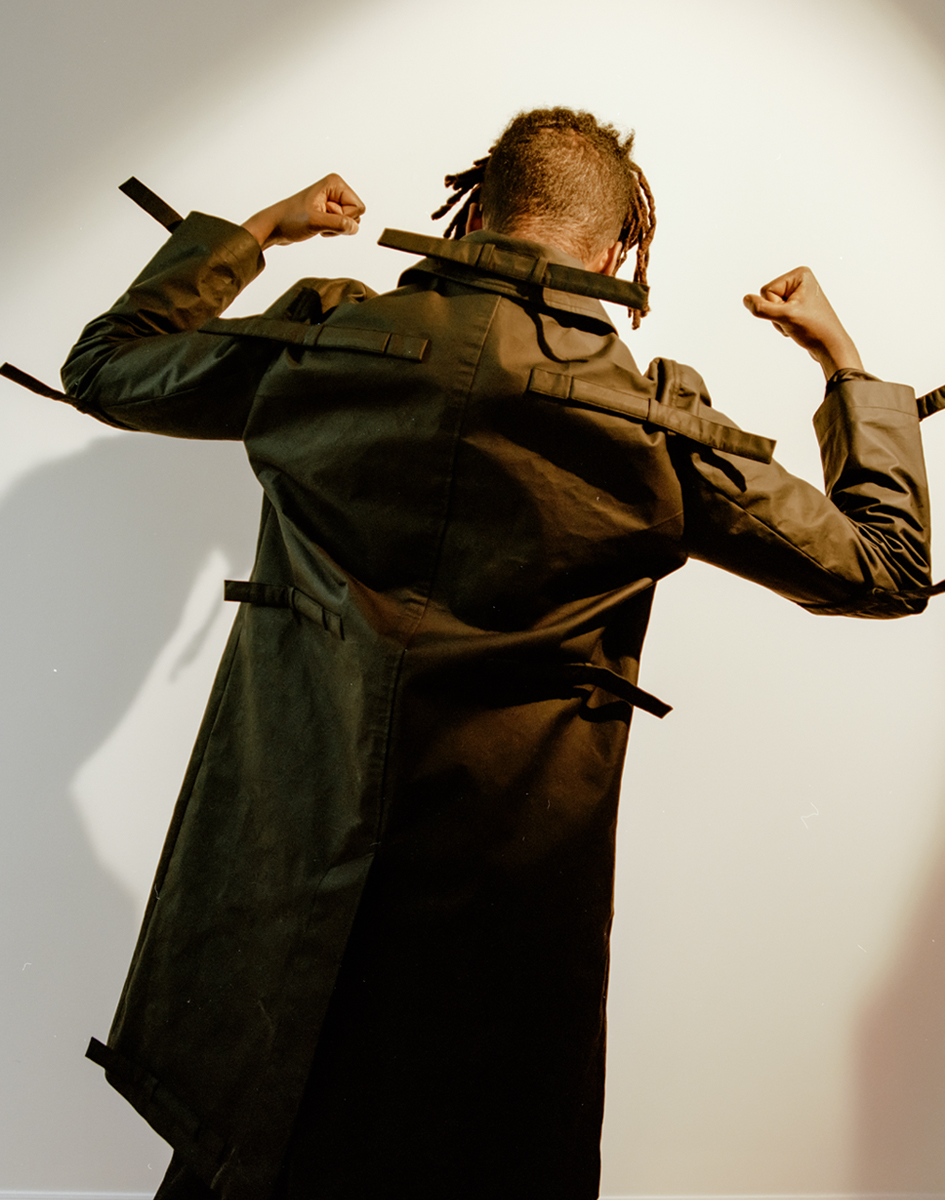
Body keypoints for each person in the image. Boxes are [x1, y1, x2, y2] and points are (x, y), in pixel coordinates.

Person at [59, 108, 931, 1200]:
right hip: (495, 942)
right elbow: (885, 568)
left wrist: (263, 230)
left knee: (254, 1148)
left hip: (286, 898)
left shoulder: (325, 343)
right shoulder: (656, 427)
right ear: (614, 258)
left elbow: (106, 366)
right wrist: (843, 362)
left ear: (471, 216)